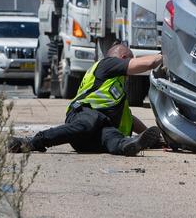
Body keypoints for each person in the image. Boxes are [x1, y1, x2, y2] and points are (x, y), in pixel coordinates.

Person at [8, 44, 162, 156]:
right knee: (89, 123)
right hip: (83, 115)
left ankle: (128, 145)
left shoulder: (117, 93)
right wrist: (164, 57)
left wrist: (153, 139)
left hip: (88, 141)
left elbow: (130, 119)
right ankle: (32, 142)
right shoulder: (107, 64)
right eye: (129, 60)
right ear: (122, 58)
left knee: (112, 136)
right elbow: (147, 64)